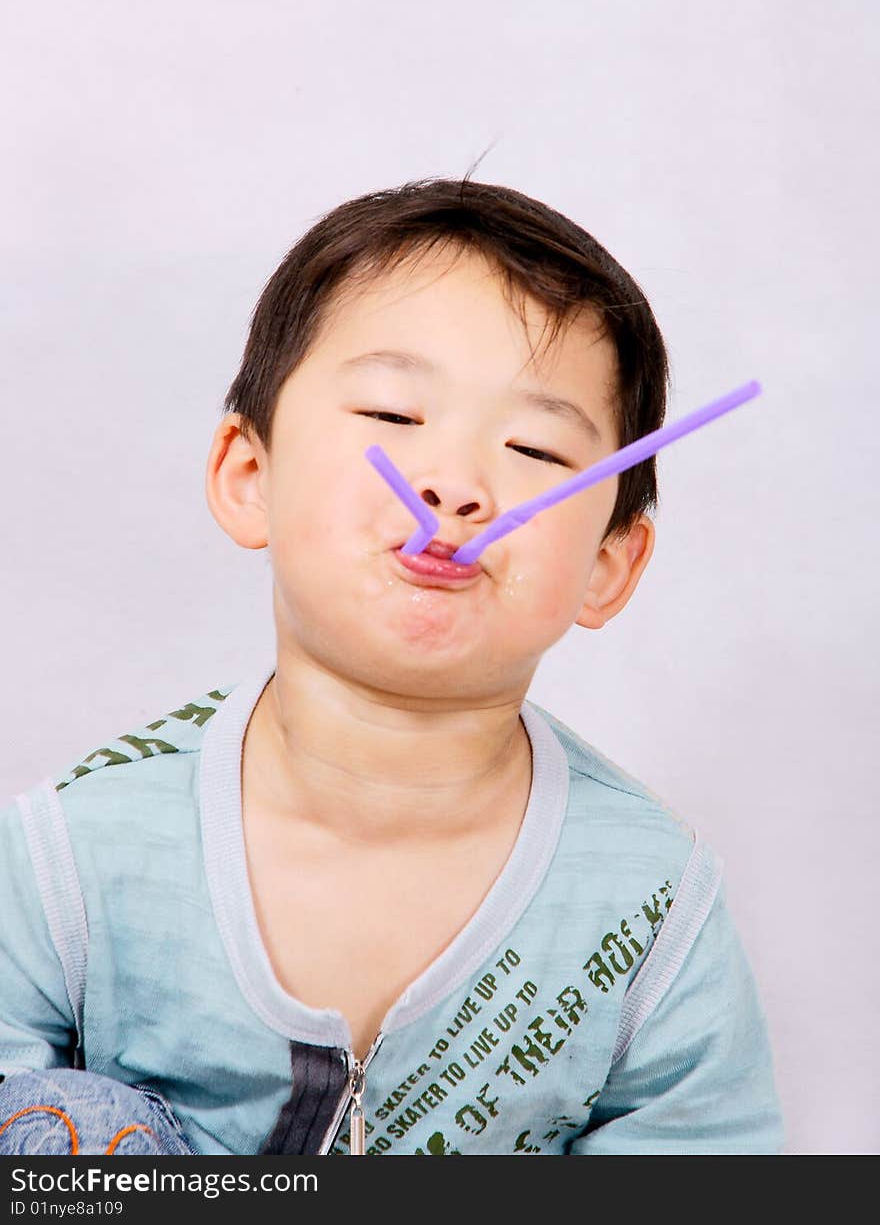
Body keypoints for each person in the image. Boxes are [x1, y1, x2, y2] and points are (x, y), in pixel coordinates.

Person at [0, 177, 784, 1155]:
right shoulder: (67, 861)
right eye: (393, 414)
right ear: (250, 478)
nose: (453, 486)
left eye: (536, 447)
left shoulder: (654, 908)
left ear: (608, 564)